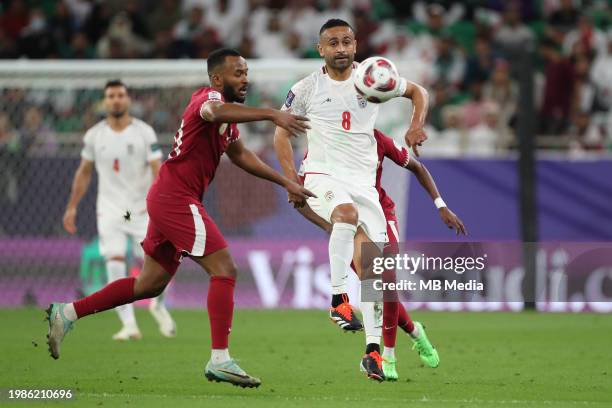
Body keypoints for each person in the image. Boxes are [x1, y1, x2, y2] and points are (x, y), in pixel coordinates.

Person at [47, 48, 313, 388]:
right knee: (225, 269)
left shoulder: (228, 119)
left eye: (246, 72)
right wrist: (272, 114)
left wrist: (286, 181)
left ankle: (66, 312)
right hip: (176, 199)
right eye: (238, 73)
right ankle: (220, 359)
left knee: (149, 284)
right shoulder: (209, 98)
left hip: (167, 199)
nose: (245, 78)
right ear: (218, 78)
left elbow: (241, 155)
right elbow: (213, 110)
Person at [274, 18, 428, 381]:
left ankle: (372, 352)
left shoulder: (372, 76)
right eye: (332, 43)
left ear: (356, 45)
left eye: (346, 42)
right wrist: (290, 179)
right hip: (322, 176)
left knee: (374, 274)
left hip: (364, 185)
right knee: (344, 213)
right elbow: (281, 135)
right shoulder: (306, 88)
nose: (340, 48)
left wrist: (416, 123)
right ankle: (337, 300)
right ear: (320, 49)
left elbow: (418, 91)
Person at [295, 129, 466, 380]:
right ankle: (415, 332)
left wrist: (441, 205)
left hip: (381, 215)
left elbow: (417, 168)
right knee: (376, 290)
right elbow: (298, 195)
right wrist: (329, 225)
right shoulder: (324, 142)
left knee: (385, 280)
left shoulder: (378, 139)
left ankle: (388, 356)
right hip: (351, 224)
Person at [63, 80, 176, 341]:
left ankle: (158, 305)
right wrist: (71, 207)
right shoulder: (94, 136)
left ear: (127, 100)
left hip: (140, 209)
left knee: (156, 265)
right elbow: (84, 173)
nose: (116, 100)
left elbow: (158, 169)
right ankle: (129, 324)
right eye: (111, 96)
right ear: (105, 102)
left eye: (120, 95)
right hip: (110, 209)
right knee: (114, 260)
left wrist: (164, 202)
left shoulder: (143, 132)